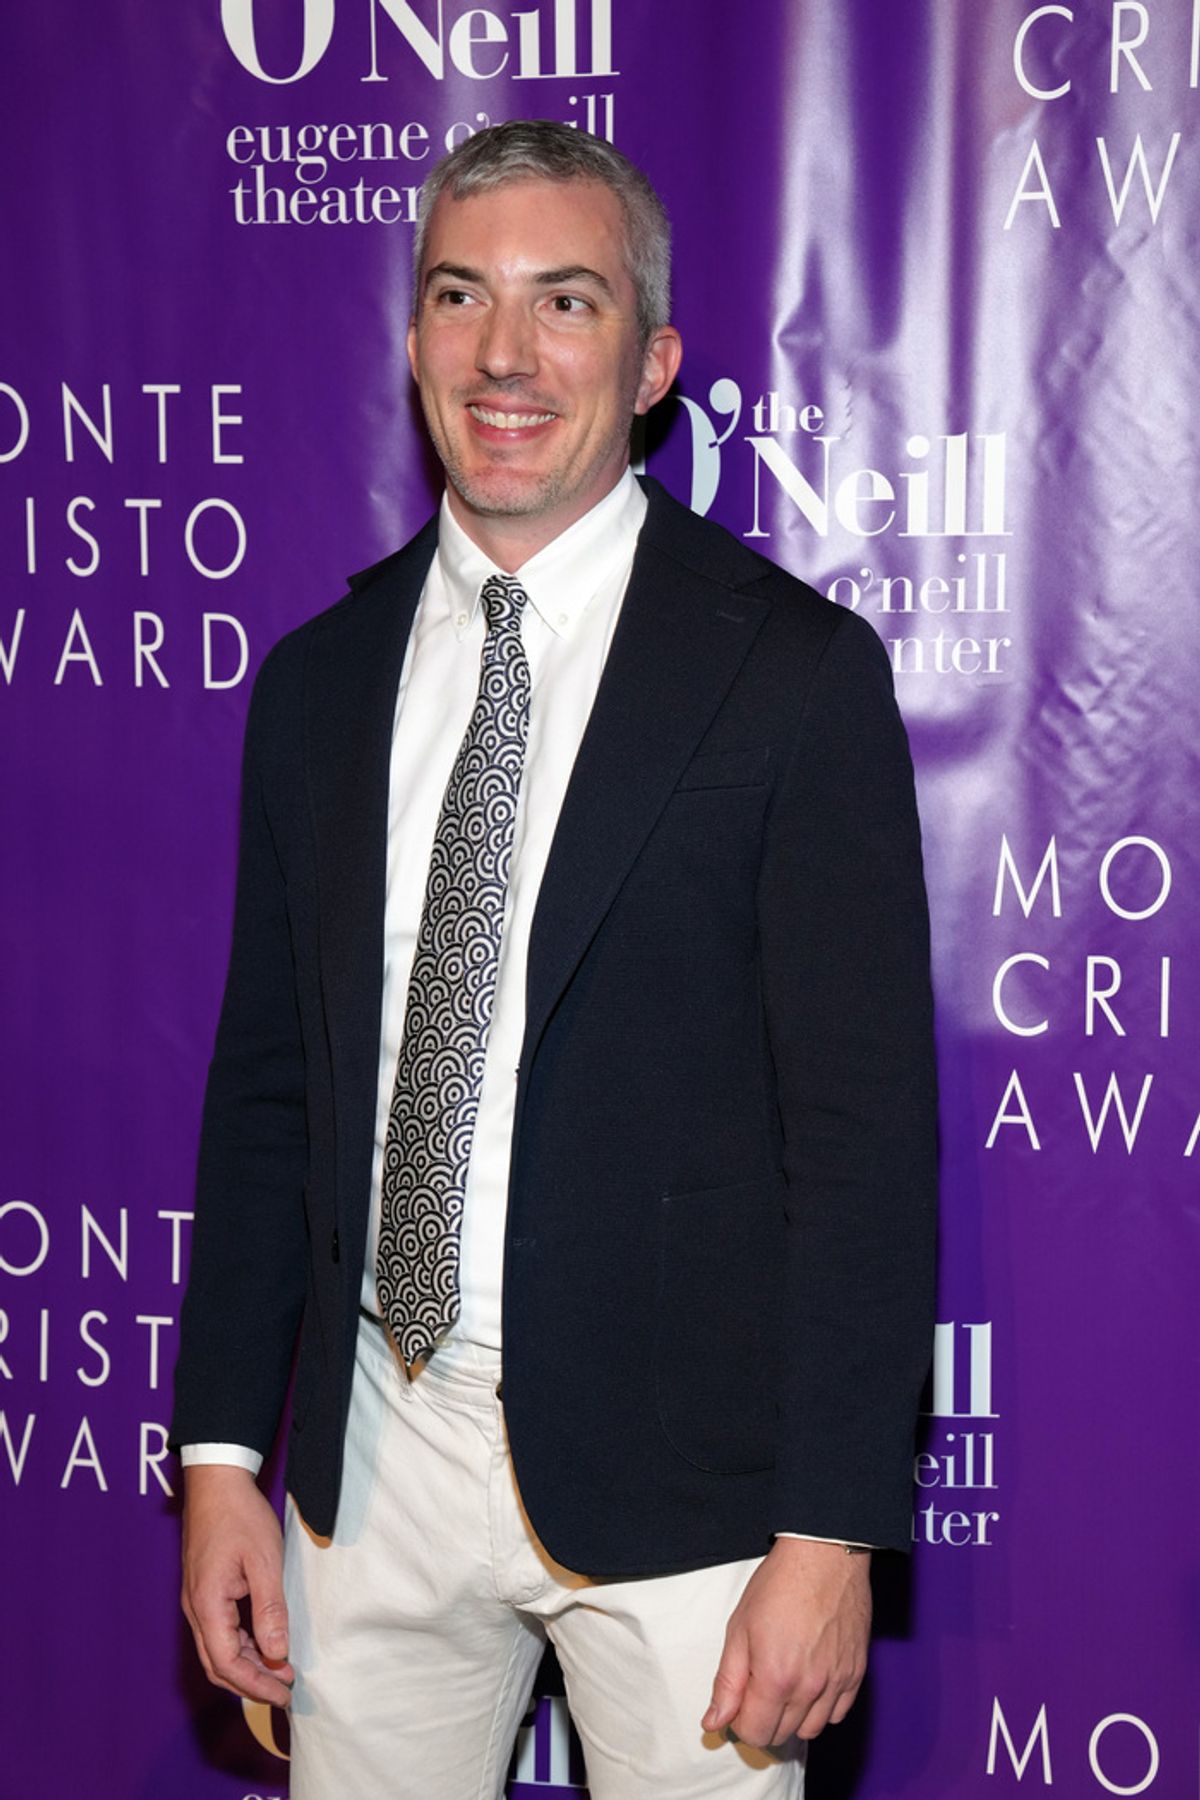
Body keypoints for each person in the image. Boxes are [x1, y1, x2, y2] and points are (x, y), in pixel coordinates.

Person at [172, 119, 938, 1799]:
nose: (505, 354)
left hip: (694, 1500)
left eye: (566, 302)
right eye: (461, 295)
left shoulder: (792, 679)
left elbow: (864, 1149)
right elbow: (268, 1095)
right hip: (376, 1452)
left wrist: (829, 1536)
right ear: (413, 338)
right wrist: (224, 1453)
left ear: (653, 361)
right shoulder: (316, 686)